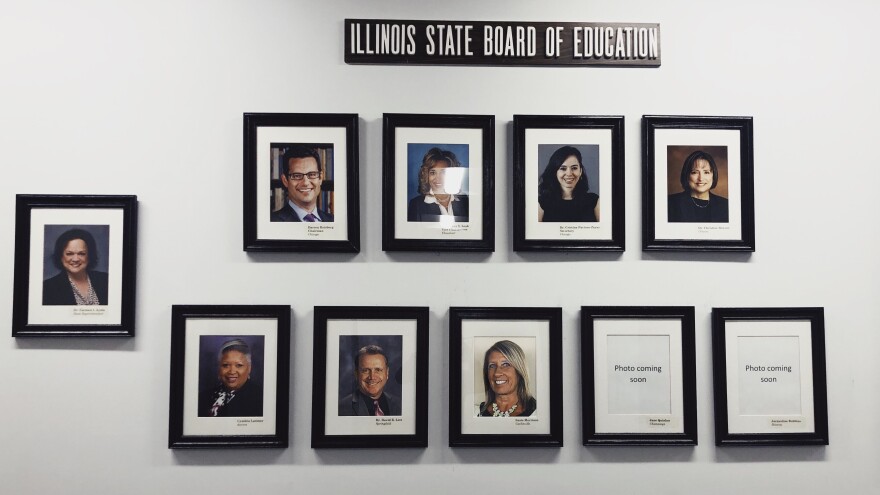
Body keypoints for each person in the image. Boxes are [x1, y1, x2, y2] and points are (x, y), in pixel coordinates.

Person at [42, 228, 109, 306]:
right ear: (60, 256)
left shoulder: (105, 279)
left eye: (81, 253)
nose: (75, 259)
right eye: (69, 253)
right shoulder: (47, 288)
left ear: (89, 255)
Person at [199, 339, 264, 417]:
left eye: (239, 365)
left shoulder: (260, 398)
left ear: (249, 368)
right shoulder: (203, 397)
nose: (232, 371)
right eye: (225, 365)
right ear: (219, 368)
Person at [271, 145, 334, 222]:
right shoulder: (272, 221)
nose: (305, 183)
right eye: (297, 176)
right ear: (285, 181)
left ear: (320, 178)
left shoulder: (333, 220)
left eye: (312, 174)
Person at [538, 145, 600, 222]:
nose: (569, 173)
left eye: (574, 168)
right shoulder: (541, 203)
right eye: (563, 168)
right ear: (555, 172)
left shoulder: (594, 201)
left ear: (580, 171)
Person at [407, 147, 469, 222]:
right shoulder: (416, 205)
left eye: (443, 172)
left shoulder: (464, 200)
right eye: (433, 173)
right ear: (426, 175)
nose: (438, 178)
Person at [477, 340, 537, 417]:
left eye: (506, 364)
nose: (497, 373)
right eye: (492, 366)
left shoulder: (538, 413)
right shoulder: (476, 412)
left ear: (519, 371)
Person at [667, 150, 729, 222]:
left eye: (706, 172)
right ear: (687, 175)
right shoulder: (670, 203)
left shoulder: (725, 205)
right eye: (694, 172)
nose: (701, 178)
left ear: (713, 175)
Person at [339, 344, 401, 416]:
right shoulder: (342, 408)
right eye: (365, 370)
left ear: (387, 373)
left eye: (378, 370)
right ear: (356, 374)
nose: (372, 377)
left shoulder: (399, 404)